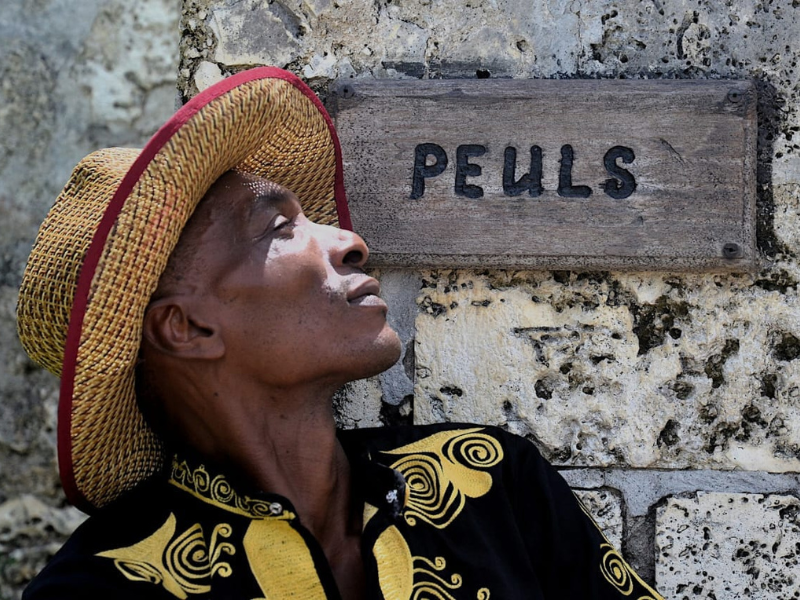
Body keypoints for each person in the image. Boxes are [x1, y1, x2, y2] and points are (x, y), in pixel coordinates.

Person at [17, 67, 663, 600]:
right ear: (185, 327)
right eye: (279, 228)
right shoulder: (101, 588)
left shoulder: (492, 487)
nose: (352, 242)